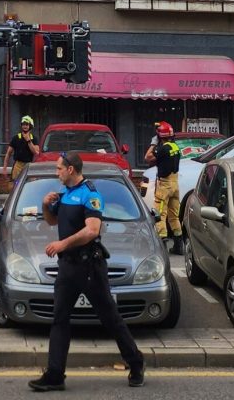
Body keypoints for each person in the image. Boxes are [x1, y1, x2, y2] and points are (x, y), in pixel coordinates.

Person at [28, 152, 145, 392]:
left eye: (59, 168)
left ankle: (136, 362)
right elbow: (51, 221)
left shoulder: (91, 195)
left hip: (89, 267)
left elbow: (92, 230)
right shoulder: (66, 195)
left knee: (109, 318)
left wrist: (62, 244)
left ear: (71, 169)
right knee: (59, 319)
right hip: (68, 267)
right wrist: (44, 205)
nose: (56, 172)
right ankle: (55, 374)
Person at [145, 121, 183, 255]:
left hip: (164, 186)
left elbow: (148, 157)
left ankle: (162, 246)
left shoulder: (162, 149)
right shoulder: (175, 147)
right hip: (175, 184)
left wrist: (153, 144)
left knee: (159, 214)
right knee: (174, 216)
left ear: (160, 136)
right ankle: (179, 245)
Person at [1, 115, 39, 185]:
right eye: (23, 124)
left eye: (27, 124)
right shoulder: (16, 138)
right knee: (15, 185)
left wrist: (29, 141)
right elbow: (8, 153)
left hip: (29, 165)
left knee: (30, 184)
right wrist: (4, 167)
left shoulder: (34, 138)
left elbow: (36, 152)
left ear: (30, 126)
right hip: (18, 165)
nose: (25, 126)